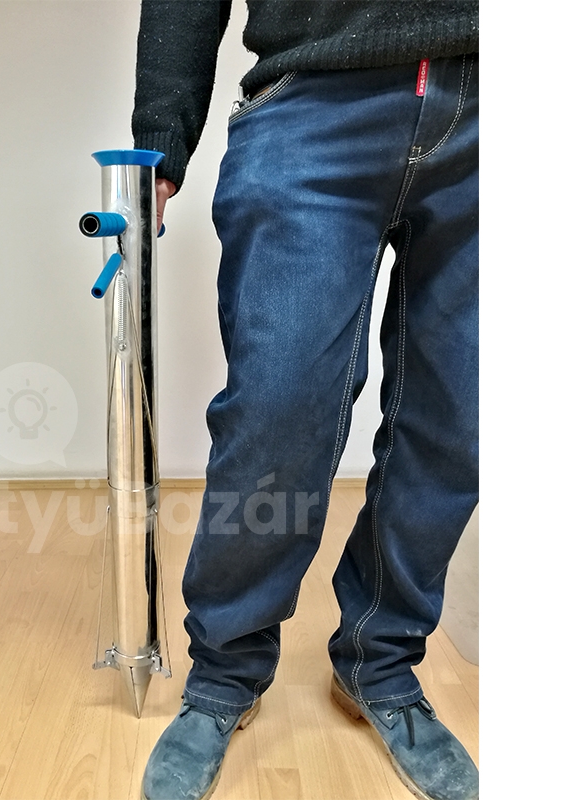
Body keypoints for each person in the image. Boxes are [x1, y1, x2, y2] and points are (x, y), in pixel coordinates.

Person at [131, 2, 479, 799]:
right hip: (314, 101)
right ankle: (225, 671)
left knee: (461, 419)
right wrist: (159, 139)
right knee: (276, 414)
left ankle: (380, 661)